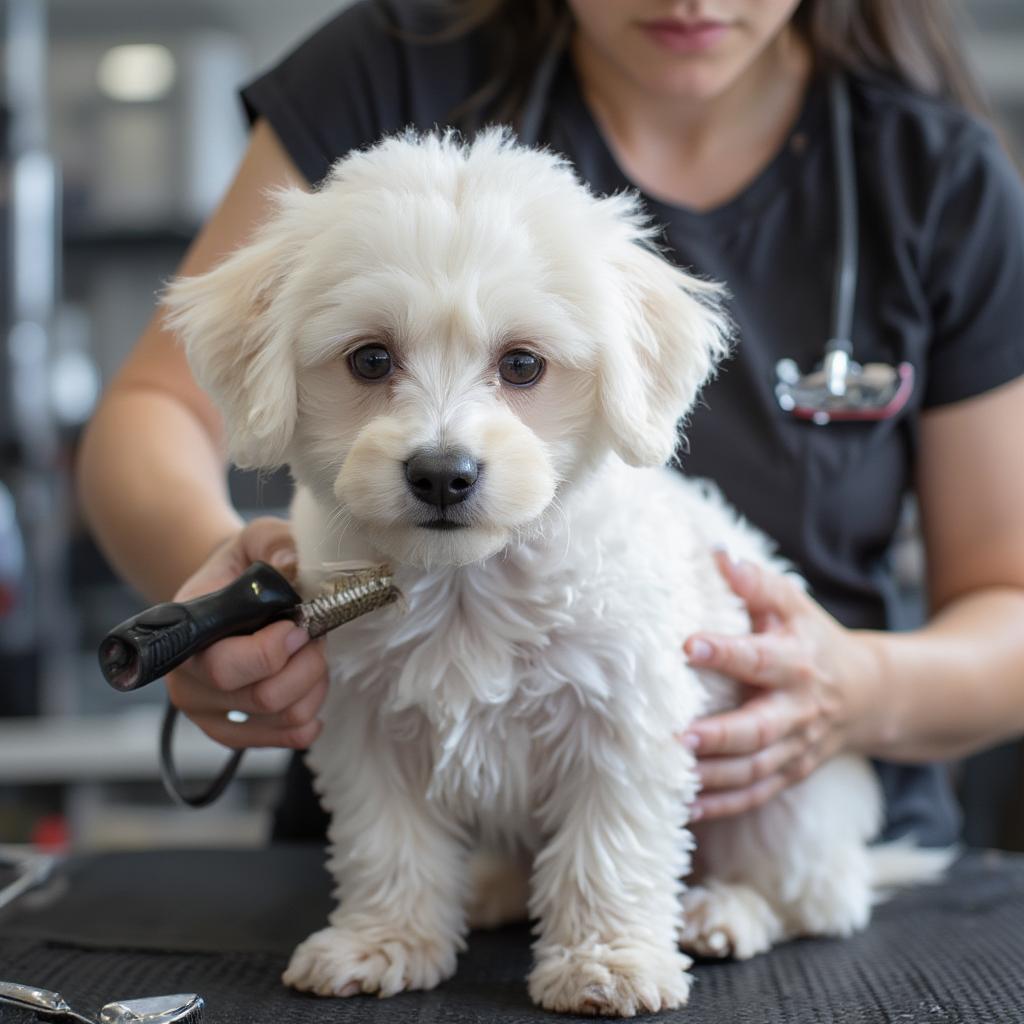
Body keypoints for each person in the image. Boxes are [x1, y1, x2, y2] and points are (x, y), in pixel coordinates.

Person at [78, 0, 1024, 847]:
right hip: (392, 832)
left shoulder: (933, 176)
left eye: (522, 367)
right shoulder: (396, 57)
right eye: (374, 363)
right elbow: (158, 404)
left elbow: (1007, 593)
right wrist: (225, 607)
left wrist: (862, 691)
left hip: (810, 822)